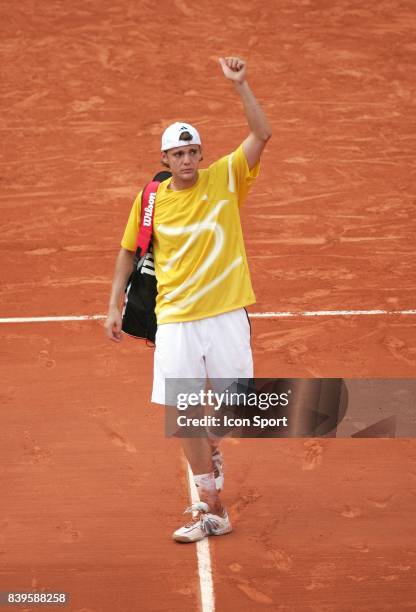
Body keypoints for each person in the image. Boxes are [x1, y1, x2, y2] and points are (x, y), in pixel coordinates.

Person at [104, 56, 271, 543]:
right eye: (178, 155)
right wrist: (114, 304)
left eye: (193, 152)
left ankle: (213, 444)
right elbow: (128, 251)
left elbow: (261, 135)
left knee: (232, 407)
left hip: (225, 313)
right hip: (175, 318)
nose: (187, 160)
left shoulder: (226, 179)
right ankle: (213, 508)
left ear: (202, 155)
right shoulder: (152, 199)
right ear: (165, 161)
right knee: (182, 416)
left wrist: (241, 85)